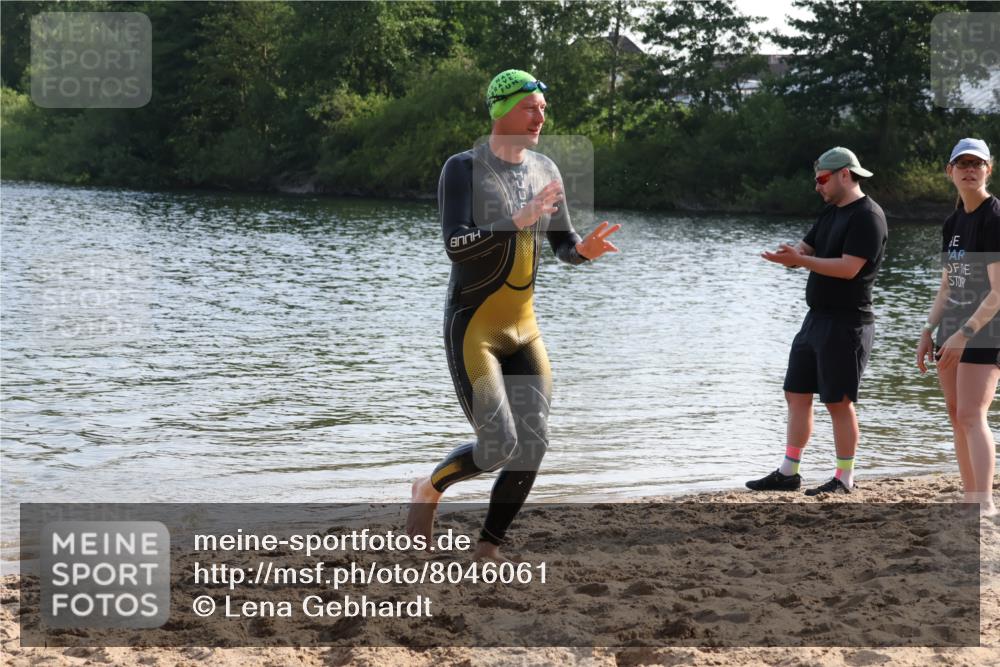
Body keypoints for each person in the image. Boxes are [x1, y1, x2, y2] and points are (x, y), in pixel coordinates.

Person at [406, 69, 621, 561]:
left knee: (533, 443)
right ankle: (428, 486)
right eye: (531, 108)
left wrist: (582, 251)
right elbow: (456, 247)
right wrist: (519, 219)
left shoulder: (546, 170)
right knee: (500, 443)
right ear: (501, 110)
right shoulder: (462, 169)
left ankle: (488, 546)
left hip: (524, 328)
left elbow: (562, 244)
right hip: (475, 327)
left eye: (544, 109)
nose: (540, 117)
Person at [747, 147, 888, 495]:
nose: (817, 187)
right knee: (795, 393)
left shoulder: (867, 216)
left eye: (822, 179)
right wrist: (791, 257)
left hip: (848, 322)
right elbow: (807, 249)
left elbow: (848, 267)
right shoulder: (830, 213)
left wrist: (803, 261)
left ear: (845, 174)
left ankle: (844, 477)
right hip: (816, 319)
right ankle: (788, 472)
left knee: (838, 401)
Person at [916, 138, 1000, 516]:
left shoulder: (994, 217)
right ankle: (969, 497)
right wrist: (928, 330)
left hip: (986, 326)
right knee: (954, 413)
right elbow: (949, 284)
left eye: (976, 163)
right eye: (962, 163)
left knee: (971, 414)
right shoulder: (953, 221)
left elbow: (999, 292)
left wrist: (964, 334)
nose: (969, 168)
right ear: (949, 171)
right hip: (952, 327)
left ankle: (984, 503)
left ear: (988, 170)